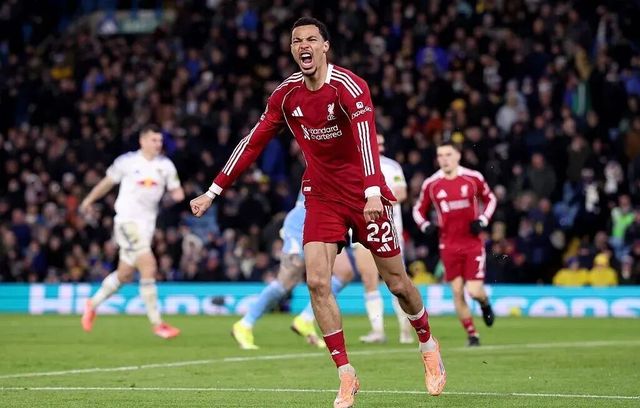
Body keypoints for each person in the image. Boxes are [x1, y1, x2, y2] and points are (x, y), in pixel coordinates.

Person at [190, 17, 446, 407]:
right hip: (322, 197)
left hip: (365, 196)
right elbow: (253, 141)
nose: (303, 45)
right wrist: (214, 190)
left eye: (311, 39)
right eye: (297, 41)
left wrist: (372, 191)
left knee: (397, 283)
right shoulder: (286, 94)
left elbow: (366, 138)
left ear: (325, 46)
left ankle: (427, 344)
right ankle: (346, 374)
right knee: (316, 283)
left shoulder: (349, 86)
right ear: (292, 49)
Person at [80, 126, 184, 339]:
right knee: (149, 264)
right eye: (154, 140)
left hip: (147, 226)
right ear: (142, 141)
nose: (158, 144)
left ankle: (92, 304)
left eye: (160, 141)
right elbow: (107, 183)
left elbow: (177, 191)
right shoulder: (127, 162)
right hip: (127, 222)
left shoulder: (166, 166)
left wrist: (176, 196)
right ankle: (158, 324)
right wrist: (88, 200)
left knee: (125, 274)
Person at [231, 191, 354, 350]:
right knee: (286, 283)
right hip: (302, 222)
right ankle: (244, 324)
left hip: (325, 222)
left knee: (344, 272)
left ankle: (305, 319)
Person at [413, 141, 496, 347]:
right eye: (440, 155)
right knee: (457, 291)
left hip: (472, 243)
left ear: (458, 155)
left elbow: (491, 199)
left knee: (474, 291)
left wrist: (483, 220)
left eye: (448, 154)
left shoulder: (473, 178)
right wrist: (425, 225)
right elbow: (418, 209)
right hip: (448, 245)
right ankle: (472, 335)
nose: (444, 159)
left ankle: (485, 303)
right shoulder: (432, 184)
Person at [357, 134, 414, 344]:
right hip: (362, 228)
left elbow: (402, 193)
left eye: (381, 143)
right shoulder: (355, 164)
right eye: (375, 142)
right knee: (368, 279)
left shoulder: (391, 166)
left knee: (396, 280)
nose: (378, 146)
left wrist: (375, 200)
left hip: (389, 228)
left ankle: (405, 330)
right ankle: (378, 330)